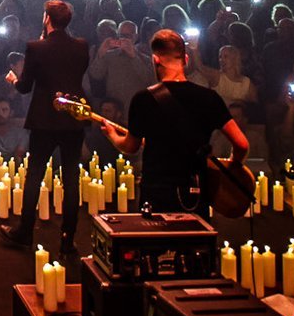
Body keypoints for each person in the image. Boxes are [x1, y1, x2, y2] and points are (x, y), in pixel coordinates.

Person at [91, 29, 247, 215]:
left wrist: (112, 135)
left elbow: (130, 146)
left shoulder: (143, 99)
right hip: (195, 189)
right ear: (186, 60)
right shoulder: (210, 98)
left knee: (156, 241)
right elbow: (242, 144)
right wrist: (231, 168)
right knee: (197, 240)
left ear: (155, 60)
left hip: (157, 189)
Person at [2, 0, 91, 248]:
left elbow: (25, 87)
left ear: (47, 19)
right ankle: (68, 238)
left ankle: (25, 232)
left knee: (35, 175)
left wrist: (13, 80)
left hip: (44, 120)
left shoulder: (36, 47)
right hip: (73, 120)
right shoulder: (82, 46)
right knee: (71, 178)